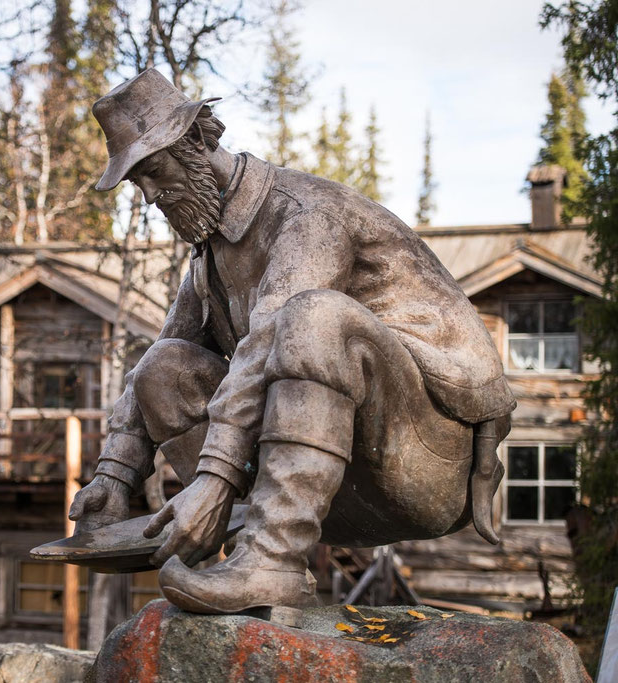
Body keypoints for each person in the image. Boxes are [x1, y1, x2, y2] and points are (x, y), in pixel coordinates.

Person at [67, 68, 515, 626]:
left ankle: (272, 555)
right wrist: (115, 475)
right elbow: (163, 358)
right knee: (164, 368)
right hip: (339, 482)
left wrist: (214, 476)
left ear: (200, 142)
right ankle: (253, 552)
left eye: (153, 171)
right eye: (138, 183)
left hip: (427, 464)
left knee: (311, 317)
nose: (151, 195)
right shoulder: (210, 251)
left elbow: (267, 341)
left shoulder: (307, 214)